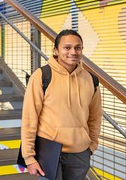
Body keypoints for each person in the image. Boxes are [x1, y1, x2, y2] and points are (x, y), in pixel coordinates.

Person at [21, 29, 102, 180]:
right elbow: (29, 118)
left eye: (78, 48)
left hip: (80, 153)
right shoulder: (42, 76)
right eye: (67, 47)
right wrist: (29, 157)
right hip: (49, 152)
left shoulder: (91, 79)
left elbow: (95, 117)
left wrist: (91, 145)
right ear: (56, 51)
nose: (73, 52)